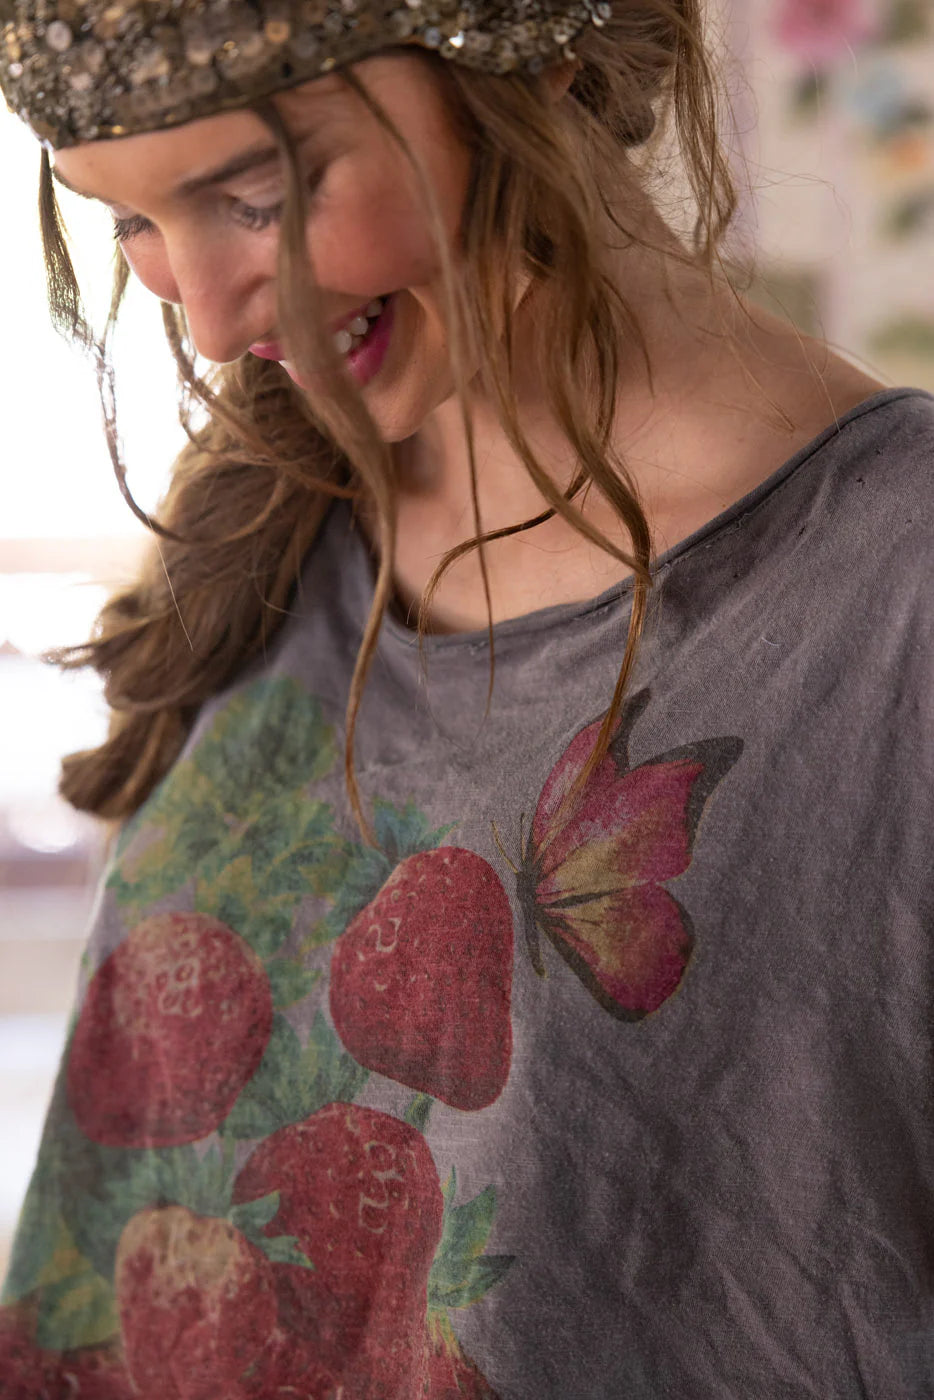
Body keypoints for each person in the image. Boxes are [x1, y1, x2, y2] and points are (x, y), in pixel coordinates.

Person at [1, 0, 933, 1391]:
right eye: (128, 220)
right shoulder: (278, 512)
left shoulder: (901, 587)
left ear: (535, 61)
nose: (208, 319)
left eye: (254, 200)